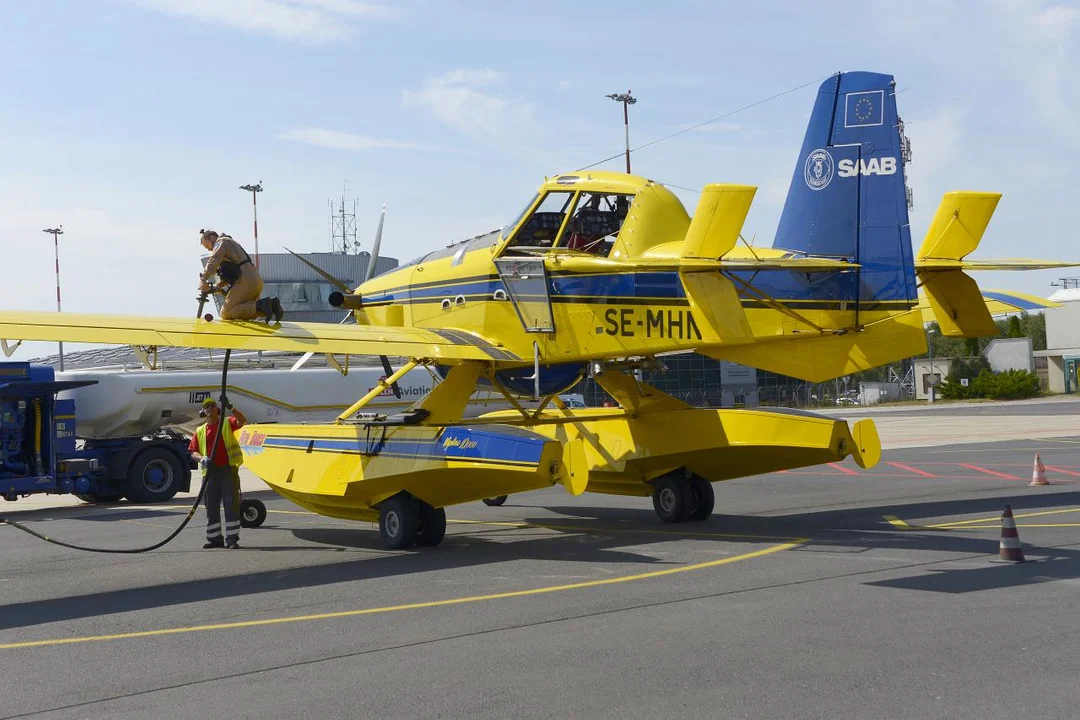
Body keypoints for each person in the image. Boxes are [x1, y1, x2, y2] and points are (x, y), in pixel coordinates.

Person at [189, 397, 247, 549]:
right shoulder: (200, 431)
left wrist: (231, 406)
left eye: (213, 405)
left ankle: (232, 540)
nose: (210, 408)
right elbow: (193, 452)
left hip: (227, 471)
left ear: (217, 409)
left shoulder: (227, 423)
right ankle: (215, 539)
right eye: (207, 406)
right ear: (203, 412)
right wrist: (202, 459)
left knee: (230, 505)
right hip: (209, 474)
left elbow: (242, 421)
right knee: (211, 506)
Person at [198, 229, 283, 323]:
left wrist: (203, 278)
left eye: (207, 246)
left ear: (212, 237)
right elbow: (228, 275)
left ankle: (262, 306)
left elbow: (214, 259)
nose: (209, 249)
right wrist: (217, 288)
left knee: (226, 313)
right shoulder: (231, 244)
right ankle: (272, 305)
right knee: (240, 309)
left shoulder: (221, 242)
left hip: (245, 280)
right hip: (255, 279)